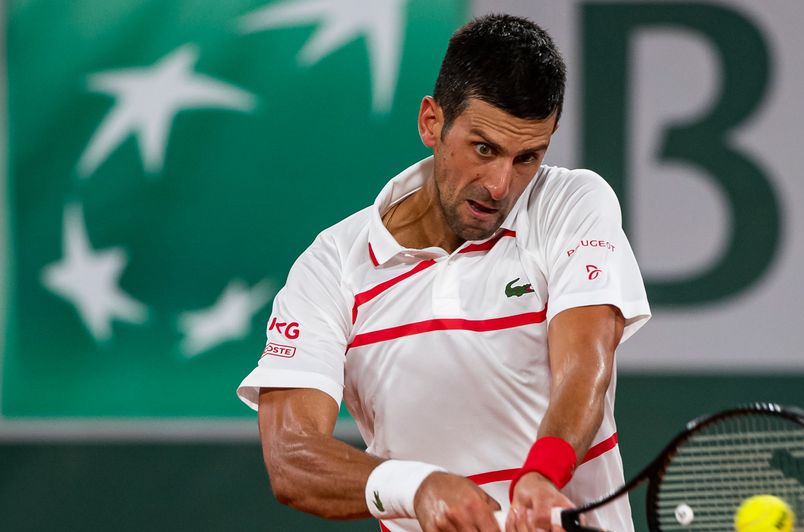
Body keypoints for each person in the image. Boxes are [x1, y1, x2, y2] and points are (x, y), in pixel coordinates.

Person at [237, 13, 650, 532]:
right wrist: (417, 487)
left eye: (528, 157)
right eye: (484, 149)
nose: (501, 184)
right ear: (431, 122)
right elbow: (292, 459)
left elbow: (586, 364)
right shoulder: (331, 268)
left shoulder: (571, 203)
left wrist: (544, 474)